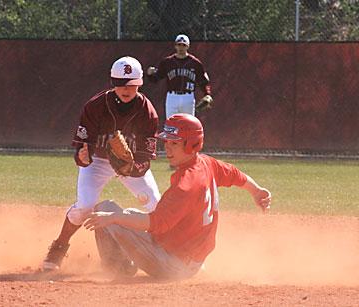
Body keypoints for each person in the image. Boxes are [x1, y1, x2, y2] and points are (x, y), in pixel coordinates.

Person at [83, 113, 272, 279]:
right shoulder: (206, 163)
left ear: (192, 144)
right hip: (191, 259)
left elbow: (155, 223)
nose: (168, 148)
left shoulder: (186, 185)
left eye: (174, 143)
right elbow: (235, 175)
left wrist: (114, 218)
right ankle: (129, 260)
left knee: (106, 210)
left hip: (171, 265)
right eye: (166, 142)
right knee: (128, 213)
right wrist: (256, 190)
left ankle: (118, 270)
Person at [42, 56, 161, 271]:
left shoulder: (147, 111)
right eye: (120, 83)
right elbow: (81, 149)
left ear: (140, 84)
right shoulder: (95, 106)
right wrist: (82, 156)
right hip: (99, 161)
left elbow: (145, 158)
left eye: (131, 84)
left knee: (156, 205)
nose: (126, 89)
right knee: (85, 205)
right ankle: (59, 246)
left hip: (130, 163)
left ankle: (166, 252)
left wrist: (131, 168)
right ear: (112, 83)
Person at [146, 34, 213, 118]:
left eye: (184, 45)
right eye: (179, 45)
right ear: (175, 46)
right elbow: (156, 78)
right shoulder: (167, 62)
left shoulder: (195, 63)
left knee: (188, 125)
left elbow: (203, 81)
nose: (181, 48)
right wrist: (149, 74)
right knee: (171, 125)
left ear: (188, 46)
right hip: (172, 97)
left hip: (188, 97)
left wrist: (207, 93)